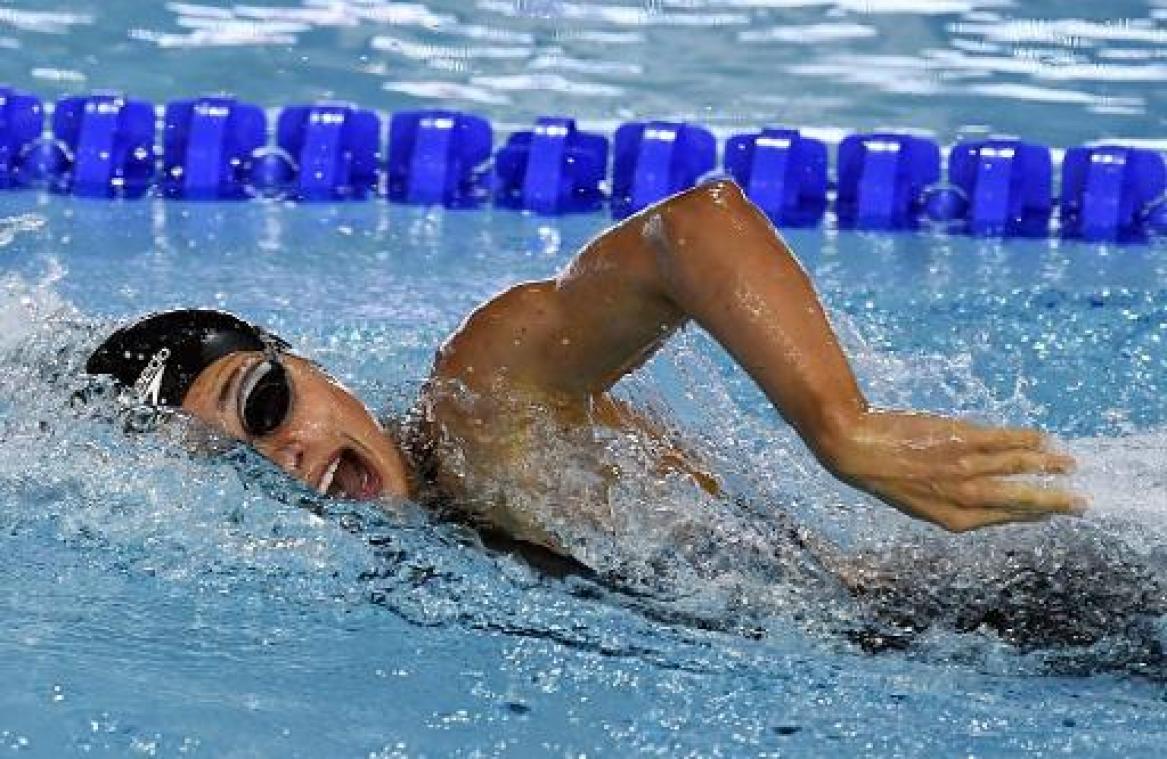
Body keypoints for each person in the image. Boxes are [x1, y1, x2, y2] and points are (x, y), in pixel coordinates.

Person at [85, 179, 1084, 561]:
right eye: (236, 468)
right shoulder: (425, 528)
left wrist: (840, 426)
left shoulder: (481, 403)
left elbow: (690, 229)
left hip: (996, 607)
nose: (286, 460)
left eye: (264, 405)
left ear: (312, 367)